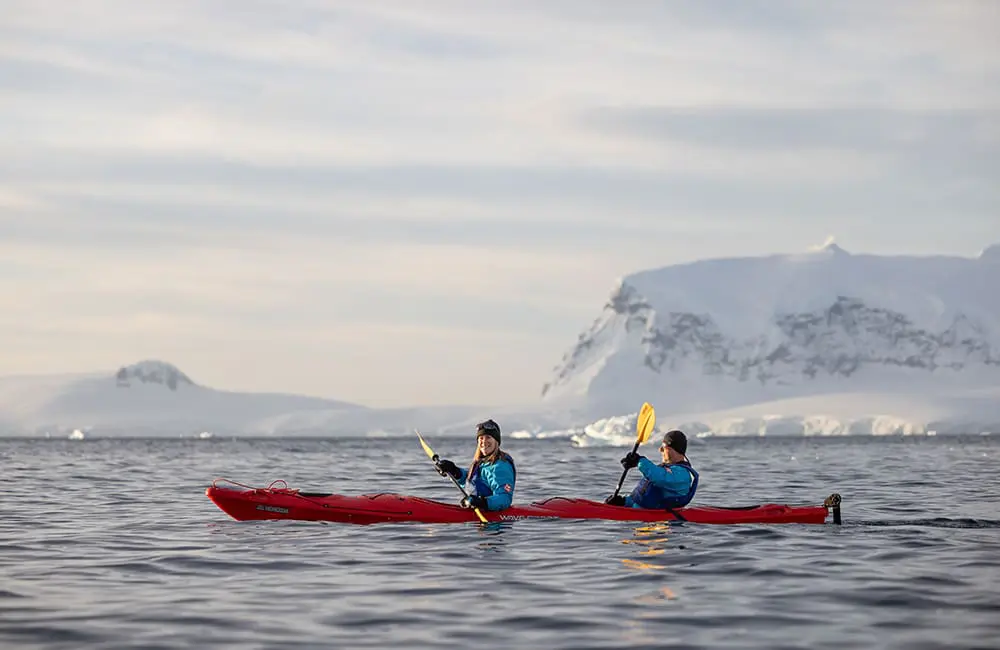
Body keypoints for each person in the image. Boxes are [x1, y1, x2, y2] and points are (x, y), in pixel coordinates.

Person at [435, 419, 516, 511]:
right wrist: (454, 471)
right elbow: (473, 483)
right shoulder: (481, 463)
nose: (484, 441)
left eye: (488, 437)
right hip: (477, 510)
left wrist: (482, 502)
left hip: (492, 515)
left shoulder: (501, 466)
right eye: (481, 438)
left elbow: (504, 498)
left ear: (496, 441)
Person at [605, 430, 698, 509]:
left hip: (663, 522)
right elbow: (641, 498)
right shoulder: (666, 469)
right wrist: (623, 501)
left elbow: (659, 477)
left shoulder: (682, 474)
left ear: (670, 449)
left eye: (663, 447)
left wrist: (639, 461)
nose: (660, 450)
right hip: (641, 514)